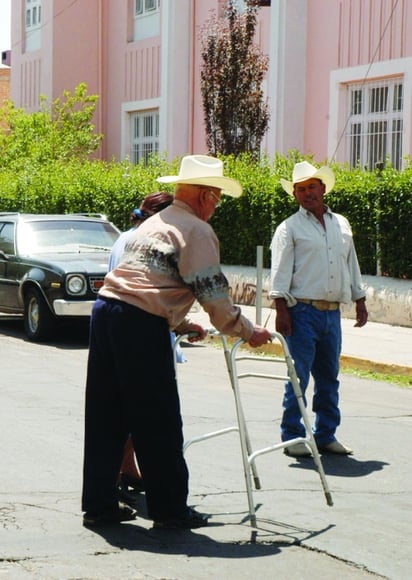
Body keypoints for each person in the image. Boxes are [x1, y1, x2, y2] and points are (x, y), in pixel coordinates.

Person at [82, 154, 271, 529]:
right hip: (138, 323)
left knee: (106, 415)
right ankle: (169, 509)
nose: (216, 205)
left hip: (107, 312)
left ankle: (100, 505)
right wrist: (249, 331)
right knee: (159, 419)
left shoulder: (155, 222)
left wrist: (179, 321)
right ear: (204, 195)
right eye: (216, 197)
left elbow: (148, 279)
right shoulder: (197, 230)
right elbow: (215, 298)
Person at [269, 161, 368, 458]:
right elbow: (280, 271)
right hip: (301, 311)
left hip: (331, 313)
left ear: (323, 189)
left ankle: (325, 434)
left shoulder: (342, 223)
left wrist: (360, 298)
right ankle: (292, 435)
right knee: (298, 376)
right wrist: (280, 308)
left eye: (312, 187)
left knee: (329, 376)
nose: (307, 193)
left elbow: (350, 262)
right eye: (301, 189)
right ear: (295, 194)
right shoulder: (289, 228)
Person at [109, 192, 179, 504]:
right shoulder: (141, 241)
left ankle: (127, 470)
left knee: (128, 411)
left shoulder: (129, 238)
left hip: (135, 329)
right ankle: (122, 477)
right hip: (138, 332)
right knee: (135, 413)